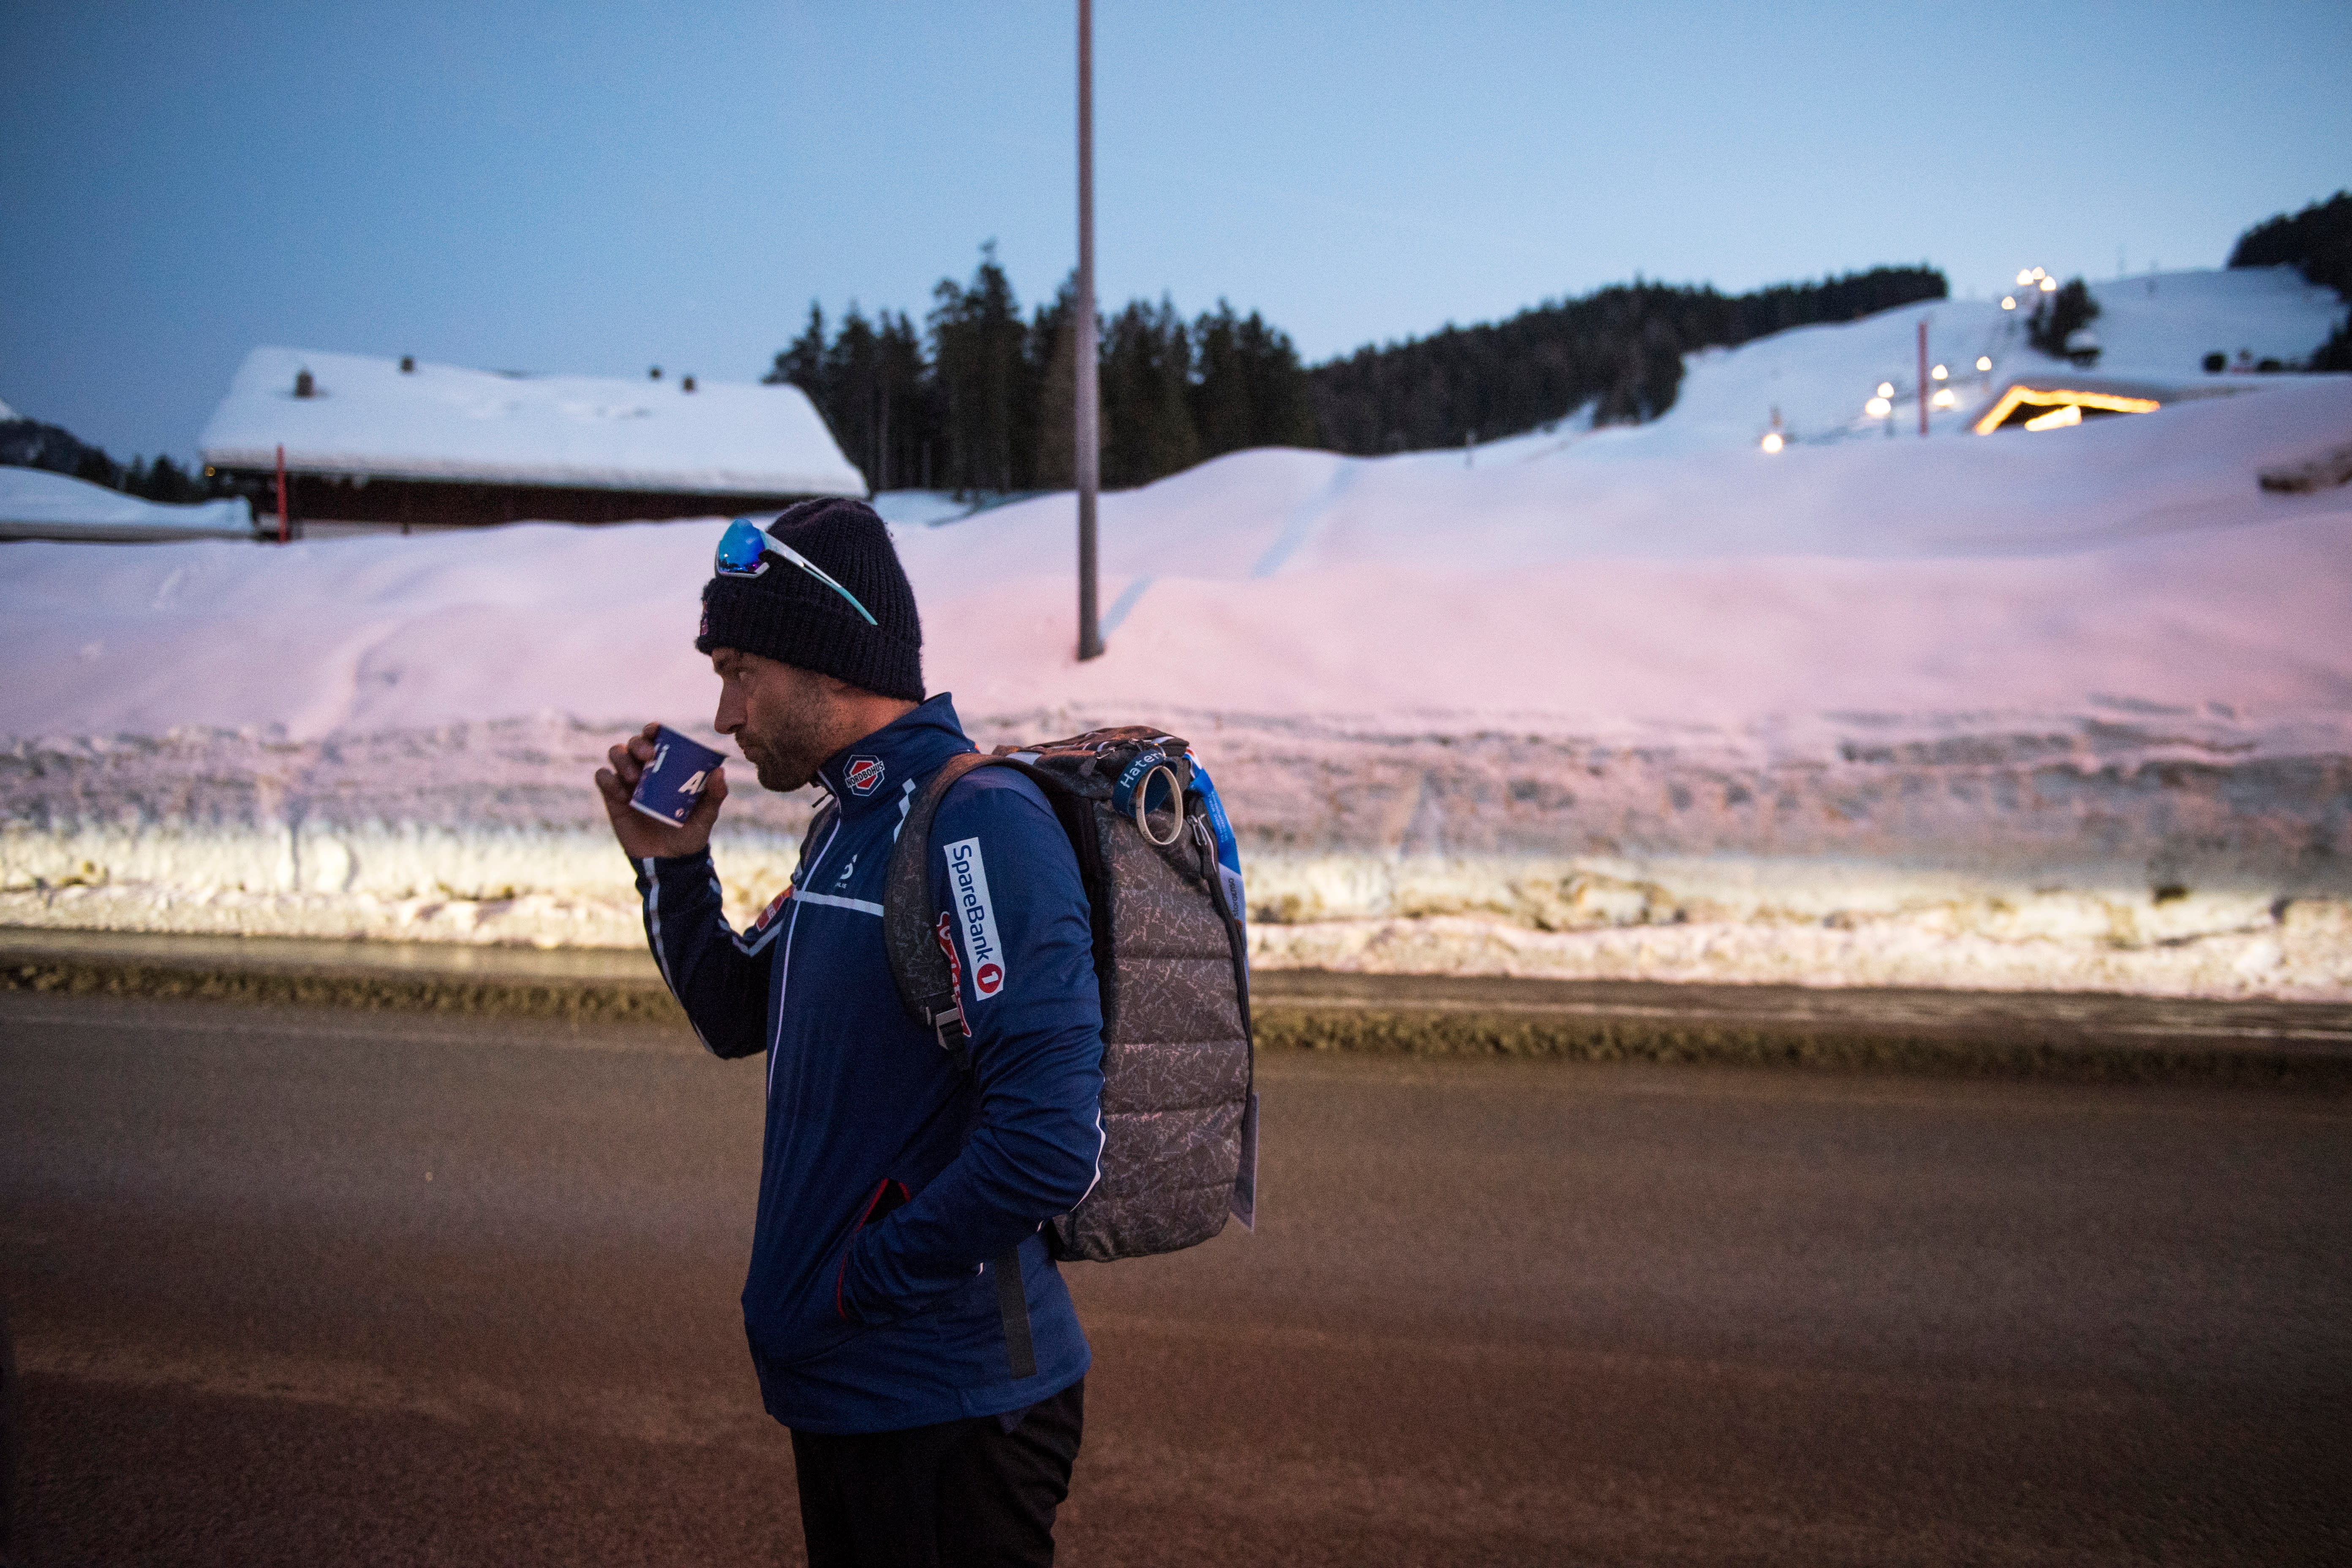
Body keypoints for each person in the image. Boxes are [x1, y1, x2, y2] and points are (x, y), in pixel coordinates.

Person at [593, 498, 1105, 1567]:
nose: (725, 712)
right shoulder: (854, 823)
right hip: (855, 1389)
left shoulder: (976, 821)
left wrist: (849, 1288)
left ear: (829, 657)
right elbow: (735, 1012)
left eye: (742, 670)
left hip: (950, 1402)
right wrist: (671, 864)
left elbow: (1049, 1141)